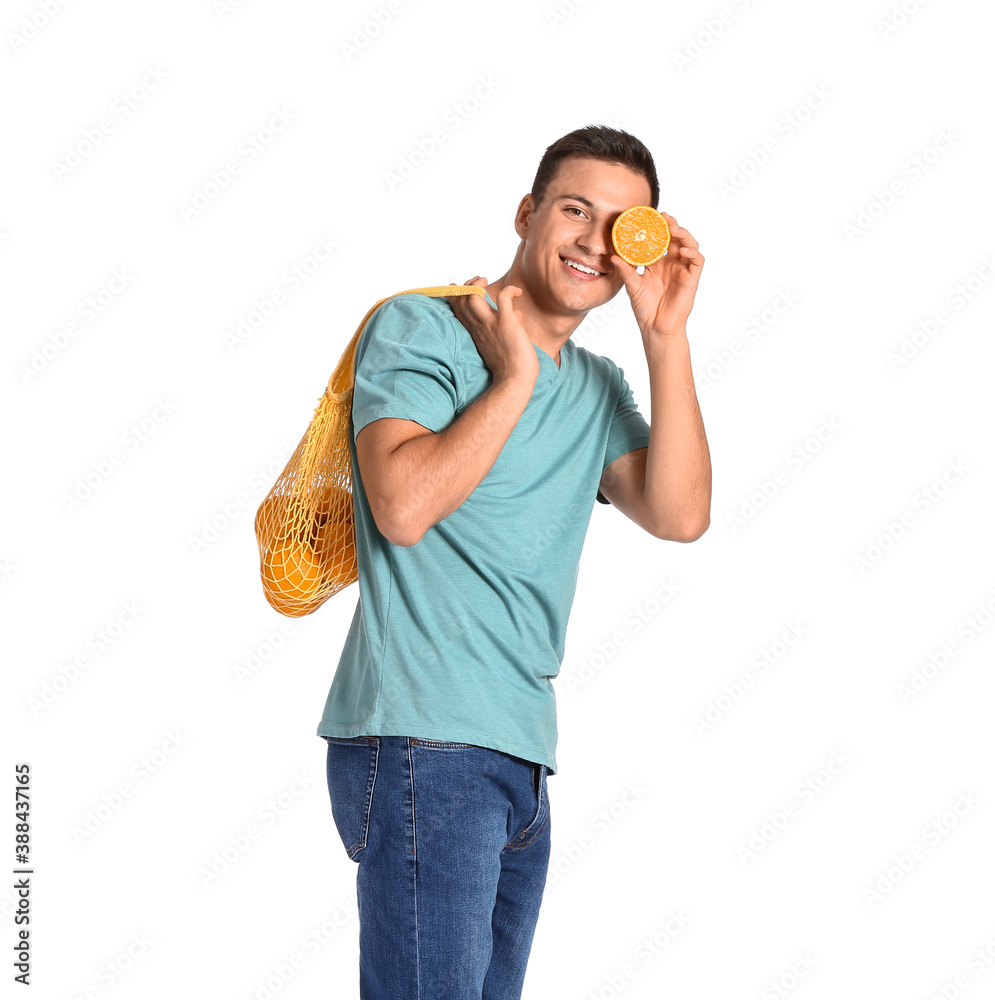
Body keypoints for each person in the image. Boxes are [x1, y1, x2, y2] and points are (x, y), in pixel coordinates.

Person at [316, 124, 710, 999]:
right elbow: (403, 506)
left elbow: (680, 515)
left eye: (621, 227)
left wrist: (666, 339)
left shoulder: (598, 387)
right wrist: (511, 383)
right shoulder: (423, 324)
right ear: (528, 212)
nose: (593, 242)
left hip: (519, 752)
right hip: (422, 735)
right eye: (575, 210)